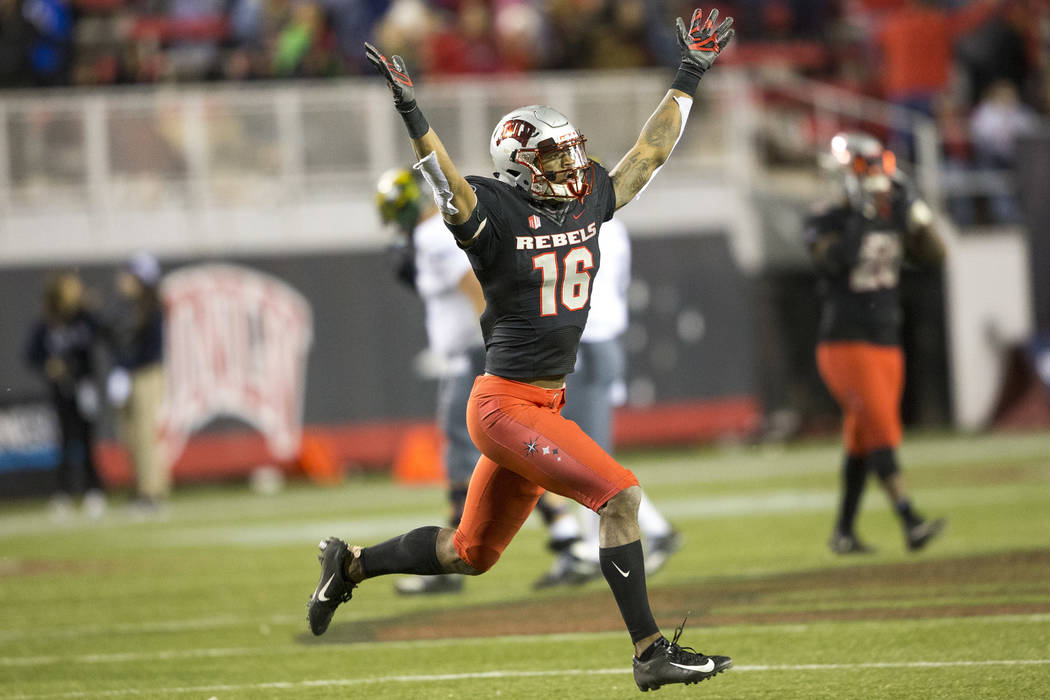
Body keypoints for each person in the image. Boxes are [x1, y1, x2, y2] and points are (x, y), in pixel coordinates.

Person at [309, 8, 735, 691]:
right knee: (621, 499)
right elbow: (448, 186)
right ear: (518, 164)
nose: (570, 163)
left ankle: (349, 564)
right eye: (553, 154)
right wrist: (414, 113)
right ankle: (649, 651)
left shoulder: (591, 195)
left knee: (470, 552)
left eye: (570, 150)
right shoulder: (495, 215)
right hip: (505, 405)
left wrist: (690, 72)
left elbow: (649, 152)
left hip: (541, 401)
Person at [806, 131, 948, 556]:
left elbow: (936, 256)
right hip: (845, 340)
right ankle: (910, 519)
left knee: (864, 438)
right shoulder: (825, 217)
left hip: (886, 338)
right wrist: (864, 218)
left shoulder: (893, 210)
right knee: (882, 430)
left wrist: (916, 212)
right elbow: (834, 261)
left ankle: (843, 533)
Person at [534, 216, 681, 588]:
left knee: (584, 456)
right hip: (606, 338)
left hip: (585, 340)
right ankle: (589, 548)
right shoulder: (611, 226)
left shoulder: (573, 227)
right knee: (582, 454)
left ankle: (656, 530)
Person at [376, 167, 487, 595]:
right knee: (477, 449)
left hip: (474, 353)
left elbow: (472, 283)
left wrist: (495, 339)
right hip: (470, 352)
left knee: (463, 445)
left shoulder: (432, 236)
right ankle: (567, 538)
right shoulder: (437, 232)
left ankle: (453, 559)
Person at [24, 270, 107, 519]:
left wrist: (92, 310)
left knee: (87, 438)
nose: (77, 290)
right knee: (64, 440)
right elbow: (31, 353)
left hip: (84, 387)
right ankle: (63, 492)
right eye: (71, 287)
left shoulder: (83, 317)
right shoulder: (48, 321)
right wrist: (49, 365)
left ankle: (94, 490)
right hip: (61, 389)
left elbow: (104, 332)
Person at [107, 252, 168, 513]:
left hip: (146, 375)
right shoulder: (126, 307)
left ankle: (151, 492)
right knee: (129, 435)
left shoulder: (152, 309)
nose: (124, 280)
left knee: (145, 435)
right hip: (129, 374)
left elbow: (148, 349)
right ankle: (142, 488)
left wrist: (125, 368)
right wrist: (120, 369)